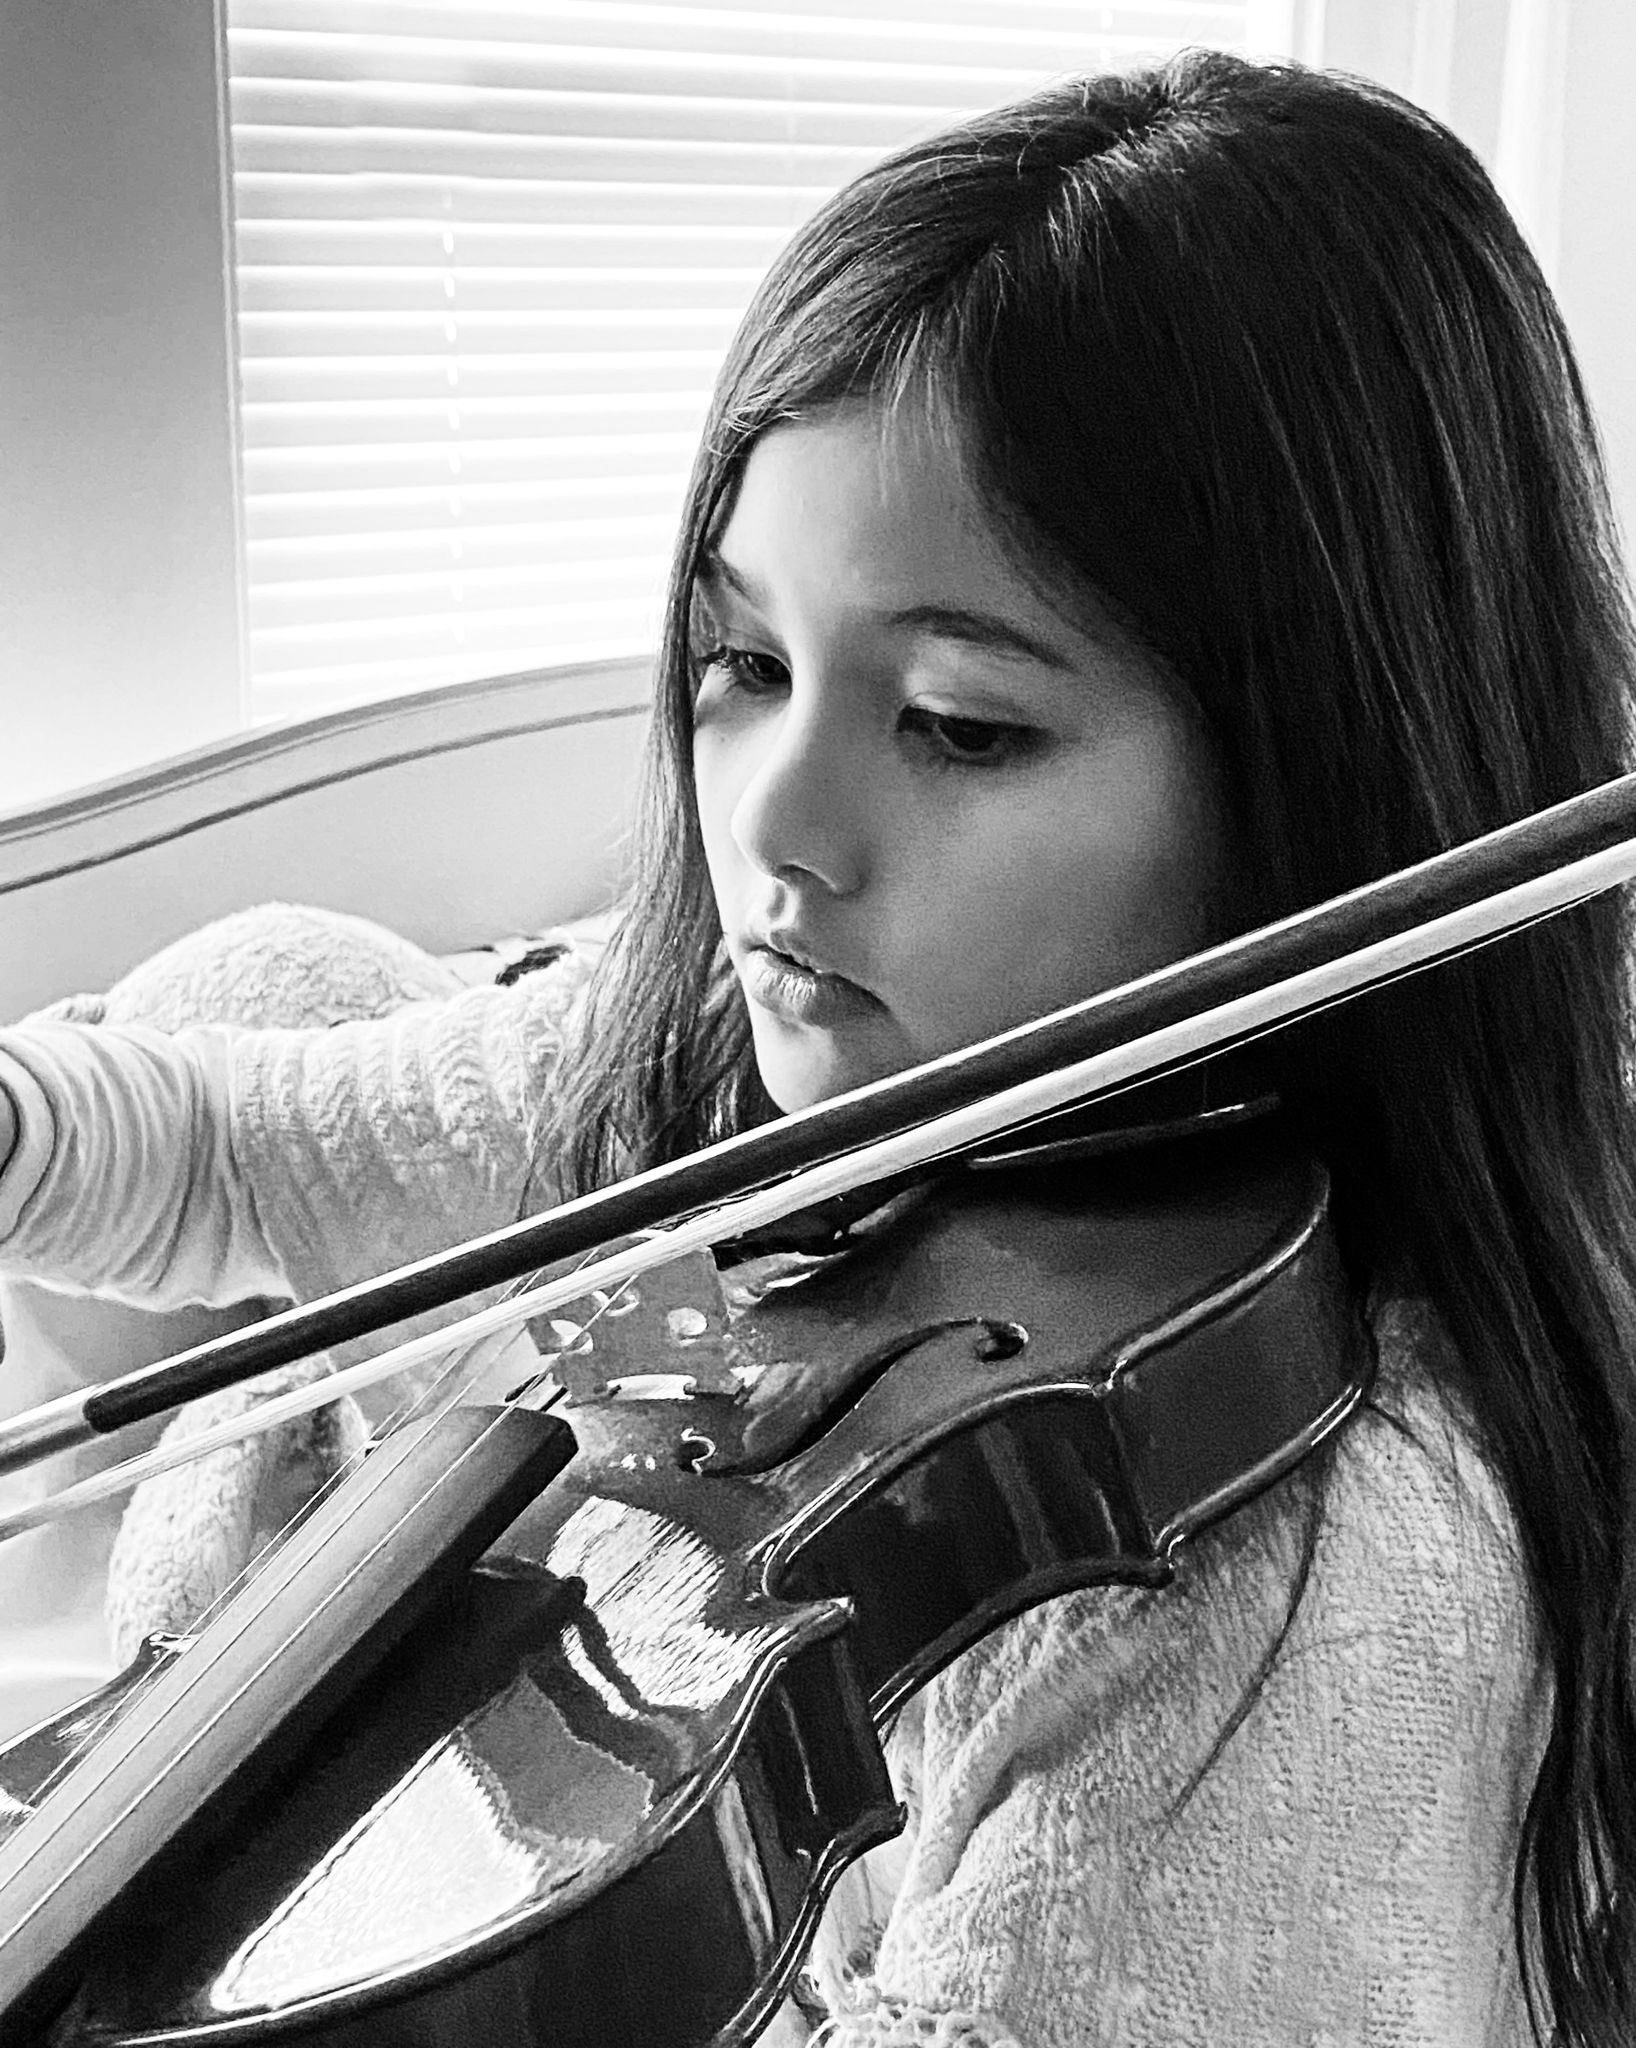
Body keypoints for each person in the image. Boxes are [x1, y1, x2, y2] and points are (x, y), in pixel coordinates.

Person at [0, 45, 1633, 2047]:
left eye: (953, 724)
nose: (772, 823)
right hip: (648, 1430)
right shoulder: (749, 1080)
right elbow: (242, 1145)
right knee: (300, 1025)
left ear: (1329, 789)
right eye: (742, 665)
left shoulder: (1313, 1583)